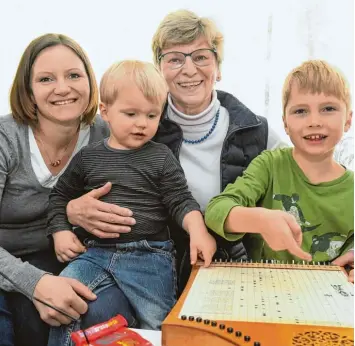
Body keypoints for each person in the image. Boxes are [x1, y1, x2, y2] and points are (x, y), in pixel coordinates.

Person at [64, 9, 292, 295]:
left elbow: (318, 179)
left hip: (235, 274)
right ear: (158, 70)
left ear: (218, 68)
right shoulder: (129, 124)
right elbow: (68, 181)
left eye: (201, 57)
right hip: (152, 273)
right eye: (174, 59)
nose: (188, 69)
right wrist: (71, 210)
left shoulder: (256, 131)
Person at [46, 60, 216, 344]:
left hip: (149, 256)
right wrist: (60, 231)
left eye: (152, 115)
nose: (142, 123)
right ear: (105, 111)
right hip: (95, 253)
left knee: (159, 327)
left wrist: (198, 231)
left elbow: (180, 200)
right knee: (62, 298)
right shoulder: (88, 157)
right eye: (131, 113)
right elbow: (60, 196)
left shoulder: (161, 157)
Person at [0, 33, 136, 346]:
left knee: (103, 311)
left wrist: (71, 215)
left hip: (63, 257)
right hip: (6, 261)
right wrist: (36, 284)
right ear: (29, 91)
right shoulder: (5, 139)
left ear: (90, 82)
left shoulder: (106, 133)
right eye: (46, 79)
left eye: (74, 75)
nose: (63, 88)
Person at [205, 60, 354, 266]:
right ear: (285, 123)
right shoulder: (269, 165)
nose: (314, 121)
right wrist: (260, 220)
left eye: (328, 108)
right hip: (266, 290)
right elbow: (216, 210)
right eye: (300, 111)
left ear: (348, 120)